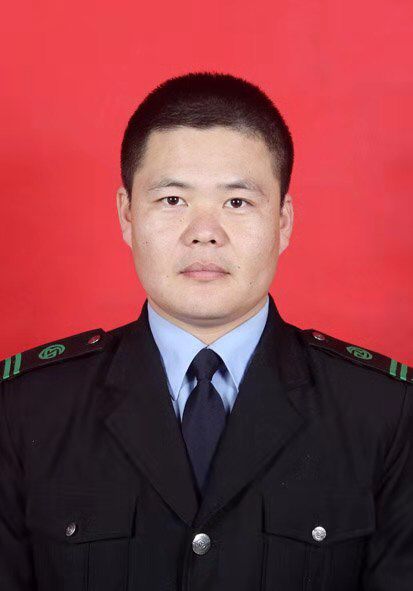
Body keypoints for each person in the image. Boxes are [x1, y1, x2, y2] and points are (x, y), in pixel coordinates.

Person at [0, 71, 412, 591]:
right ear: (127, 215)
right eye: (173, 200)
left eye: (237, 202)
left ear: (283, 221)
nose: (204, 233)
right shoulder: (25, 409)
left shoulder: (386, 414)